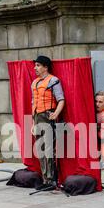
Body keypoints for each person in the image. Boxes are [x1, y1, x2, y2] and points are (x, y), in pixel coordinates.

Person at [31, 55, 65, 191]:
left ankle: (51, 180)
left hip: (48, 115)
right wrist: (33, 123)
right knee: (40, 149)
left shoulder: (53, 81)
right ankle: (45, 179)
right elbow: (33, 103)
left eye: (38, 65)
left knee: (49, 149)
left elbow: (61, 99)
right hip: (37, 117)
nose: (35, 68)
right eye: (35, 65)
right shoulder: (34, 83)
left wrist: (56, 113)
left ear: (46, 67)